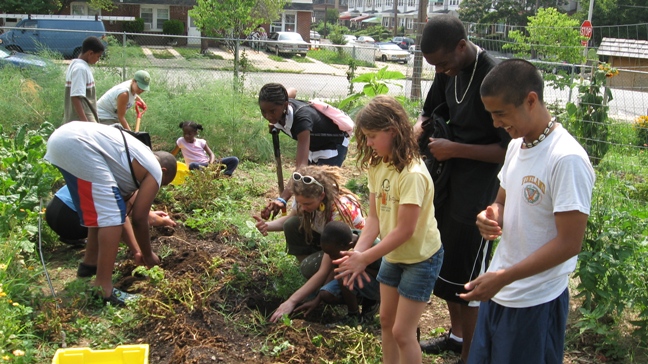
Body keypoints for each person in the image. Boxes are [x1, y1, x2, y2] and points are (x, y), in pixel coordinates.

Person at [462, 59, 595, 363]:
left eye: (501, 114)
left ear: (531, 100)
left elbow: (569, 244)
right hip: (500, 291)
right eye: (491, 114)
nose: (495, 124)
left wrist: (505, 276)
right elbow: (502, 201)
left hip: (535, 300)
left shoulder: (566, 158)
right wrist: (490, 216)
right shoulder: (516, 146)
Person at [413, 15, 511, 363]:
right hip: (448, 177)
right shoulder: (445, 71)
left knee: (470, 278)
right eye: (434, 66)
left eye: (443, 63)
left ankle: (472, 354)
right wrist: (418, 129)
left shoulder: (492, 75)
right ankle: (456, 337)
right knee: (448, 266)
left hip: (481, 187)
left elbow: (507, 150)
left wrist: (456, 149)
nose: (440, 71)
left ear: (461, 45)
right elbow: (429, 111)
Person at [334, 95, 444, 364]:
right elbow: (373, 221)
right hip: (393, 255)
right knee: (385, 321)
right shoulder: (377, 164)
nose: (368, 143)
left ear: (392, 131)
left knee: (403, 332)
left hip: (420, 258)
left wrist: (367, 257)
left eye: (372, 136)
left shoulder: (413, 174)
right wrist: (357, 255)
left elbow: (405, 230)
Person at [44, 122, 177, 305]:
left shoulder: (131, 162)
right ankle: (103, 291)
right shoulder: (154, 169)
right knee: (110, 217)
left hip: (64, 138)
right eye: (162, 184)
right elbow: (138, 219)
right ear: (163, 172)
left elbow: (122, 215)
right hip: (77, 143)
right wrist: (148, 255)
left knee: (107, 212)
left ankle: (90, 263)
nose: (156, 187)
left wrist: (135, 250)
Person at [253, 165, 364, 279]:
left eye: (307, 204)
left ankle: (320, 277)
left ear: (321, 196)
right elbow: (288, 220)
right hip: (326, 240)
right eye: (299, 203)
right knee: (292, 224)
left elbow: (342, 247)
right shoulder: (304, 199)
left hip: (345, 248)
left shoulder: (340, 210)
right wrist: (266, 226)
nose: (302, 207)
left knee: (309, 268)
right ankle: (311, 271)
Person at [258, 83, 350, 220]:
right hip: (313, 147)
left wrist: (282, 199)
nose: (268, 116)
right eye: (263, 111)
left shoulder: (302, 120)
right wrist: (274, 120)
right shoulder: (281, 109)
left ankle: (326, 226)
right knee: (304, 194)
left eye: (272, 111)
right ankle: (301, 224)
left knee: (319, 192)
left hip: (333, 147)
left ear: (285, 105)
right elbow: (292, 90)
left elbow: (301, 167)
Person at [269, 221, 381, 324]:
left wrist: (360, 268)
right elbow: (323, 272)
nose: (331, 257)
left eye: (332, 254)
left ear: (348, 245)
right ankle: (361, 302)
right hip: (357, 280)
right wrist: (314, 300)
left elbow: (388, 277)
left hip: (380, 285)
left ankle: (358, 311)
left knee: (345, 270)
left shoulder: (371, 246)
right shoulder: (337, 241)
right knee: (325, 294)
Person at [45, 184, 176, 251]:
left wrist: (151, 213)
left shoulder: (117, 173)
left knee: (108, 208)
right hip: (71, 219)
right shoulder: (134, 184)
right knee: (116, 219)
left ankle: (73, 237)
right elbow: (143, 218)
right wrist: (165, 222)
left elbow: (137, 208)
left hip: (53, 211)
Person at [170, 121, 239, 176]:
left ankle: (225, 176)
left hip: (207, 164)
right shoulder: (181, 141)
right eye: (184, 133)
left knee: (234, 160)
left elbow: (211, 154)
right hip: (197, 167)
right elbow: (173, 153)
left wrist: (211, 164)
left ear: (195, 133)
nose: (186, 136)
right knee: (192, 165)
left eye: (189, 134)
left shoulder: (201, 142)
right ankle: (210, 174)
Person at [63, 36, 105, 123]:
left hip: (85, 118)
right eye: (98, 56)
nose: (98, 59)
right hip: (83, 120)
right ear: (90, 53)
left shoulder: (76, 65)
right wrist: (85, 123)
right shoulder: (80, 69)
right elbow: (75, 97)